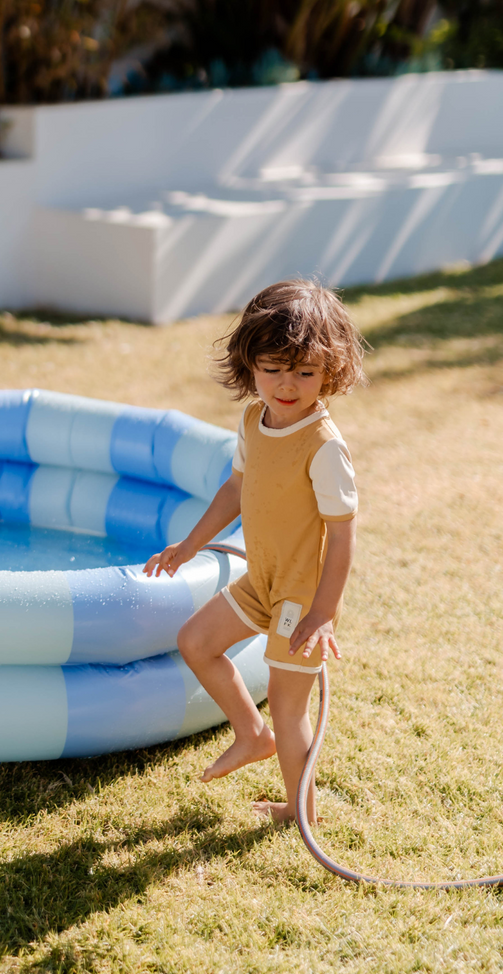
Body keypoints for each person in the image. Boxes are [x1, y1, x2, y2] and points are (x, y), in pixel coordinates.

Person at [143, 280, 367, 824]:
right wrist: (189, 545)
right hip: (260, 581)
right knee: (196, 641)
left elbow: (343, 536)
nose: (287, 385)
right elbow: (235, 490)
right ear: (250, 365)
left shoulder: (324, 448)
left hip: (299, 599)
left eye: (305, 372)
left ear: (330, 372)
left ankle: (300, 811)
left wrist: (322, 614)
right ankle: (251, 734)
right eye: (273, 368)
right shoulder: (253, 420)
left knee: (292, 711)